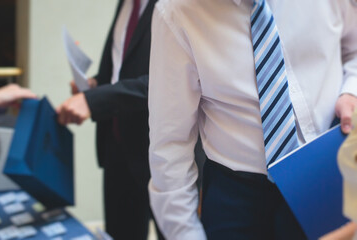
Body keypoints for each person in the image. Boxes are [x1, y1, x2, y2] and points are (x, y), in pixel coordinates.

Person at [148, 0, 357, 239]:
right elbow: (170, 147)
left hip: (325, 170)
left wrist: (351, 90)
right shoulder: (177, 10)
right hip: (236, 198)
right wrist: (185, 234)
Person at [57, 0, 163, 239]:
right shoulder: (125, 4)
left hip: (161, 154)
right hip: (116, 147)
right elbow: (120, 69)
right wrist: (95, 85)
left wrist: (96, 100)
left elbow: (168, 81)